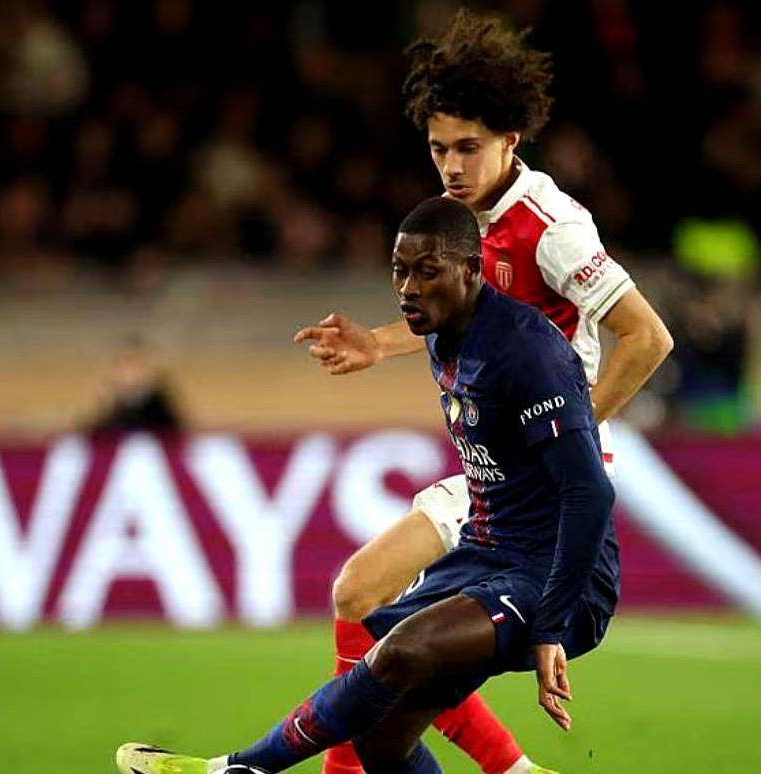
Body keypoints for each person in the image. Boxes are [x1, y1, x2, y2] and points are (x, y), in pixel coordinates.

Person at [118, 196, 619, 774]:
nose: (407, 288)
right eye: (399, 271)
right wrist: (377, 344)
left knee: (401, 651)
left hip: (557, 575)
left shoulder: (528, 351)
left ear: (472, 271)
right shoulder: (445, 334)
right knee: (380, 735)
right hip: (489, 551)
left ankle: (237, 769)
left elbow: (591, 493)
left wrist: (551, 624)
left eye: (426, 272)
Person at [293, 10, 673, 774]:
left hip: (539, 478)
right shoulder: (462, 221)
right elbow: (456, 315)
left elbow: (647, 337)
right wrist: (378, 343)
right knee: (365, 604)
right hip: (492, 470)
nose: (451, 166)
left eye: (468, 147)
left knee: (374, 609)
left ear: (510, 140)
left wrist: (566, 433)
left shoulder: (550, 228)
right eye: (439, 149)